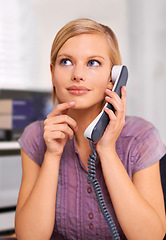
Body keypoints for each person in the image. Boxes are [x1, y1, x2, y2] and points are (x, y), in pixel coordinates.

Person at [15, 18, 166, 240]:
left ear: (113, 78)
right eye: (66, 62)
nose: (77, 74)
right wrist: (52, 156)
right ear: (52, 73)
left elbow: (151, 237)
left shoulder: (141, 138)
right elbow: (29, 237)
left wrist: (107, 151)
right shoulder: (36, 137)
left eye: (93, 62)